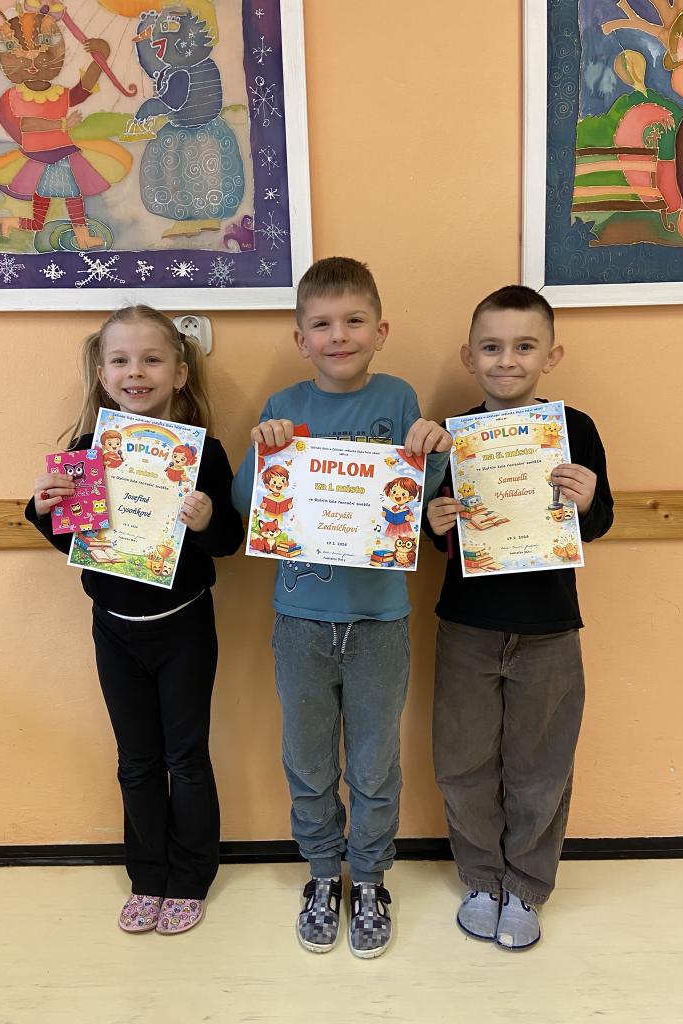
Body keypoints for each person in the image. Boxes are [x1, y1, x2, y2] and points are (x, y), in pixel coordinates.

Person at [232, 257, 452, 959]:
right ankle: (324, 873)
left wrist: (434, 450)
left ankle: (373, 879)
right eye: (322, 325)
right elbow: (246, 507)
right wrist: (262, 453)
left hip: (380, 621)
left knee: (375, 762)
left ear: (380, 332)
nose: (339, 336)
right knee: (306, 757)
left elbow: (417, 499)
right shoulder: (282, 406)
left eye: (354, 321)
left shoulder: (398, 397)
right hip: (300, 618)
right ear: (301, 339)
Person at [25, 305, 243, 935]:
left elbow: (229, 542)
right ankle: (147, 876)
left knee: (187, 758)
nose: (136, 372)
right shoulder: (86, 451)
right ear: (102, 374)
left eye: (152, 359)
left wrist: (207, 521)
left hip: (184, 626)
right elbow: (76, 542)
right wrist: (43, 509)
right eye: (120, 360)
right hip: (114, 628)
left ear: (180, 372)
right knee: (136, 760)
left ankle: (191, 878)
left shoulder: (204, 454)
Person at [425, 285, 613, 951]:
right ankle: (481, 879)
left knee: (542, 766)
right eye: (492, 347)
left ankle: (527, 886)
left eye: (524, 346)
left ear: (551, 356)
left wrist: (587, 501)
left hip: (550, 629)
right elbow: (437, 537)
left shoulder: (574, 428)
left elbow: (600, 521)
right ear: (469, 356)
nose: (507, 360)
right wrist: (437, 522)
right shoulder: (452, 436)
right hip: (468, 625)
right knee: (463, 761)